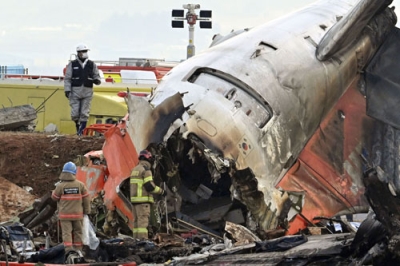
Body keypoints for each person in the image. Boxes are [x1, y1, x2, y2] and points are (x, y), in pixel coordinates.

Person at [51, 161, 90, 253]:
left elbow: (54, 198)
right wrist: (86, 211)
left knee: (66, 233)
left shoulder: (60, 186)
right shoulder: (80, 185)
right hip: (78, 215)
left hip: (65, 215)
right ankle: (78, 251)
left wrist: (54, 192)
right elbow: (86, 199)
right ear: (74, 172)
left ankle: (68, 251)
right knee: (78, 232)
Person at [64, 43, 101, 136]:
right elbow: (67, 78)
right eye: (83, 52)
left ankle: (82, 131)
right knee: (75, 113)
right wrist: (67, 90)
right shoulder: (72, 64)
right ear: (78, 53)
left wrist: (97, 80)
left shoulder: (91, 64)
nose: (84, 53)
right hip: (75, 91)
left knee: (85, 112)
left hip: (87, 91)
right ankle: (77, 126)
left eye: (85, 51)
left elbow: (97, 75)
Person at [130, 150, 166, 239]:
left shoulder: (135, 169)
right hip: (143, 201)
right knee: (143, 223)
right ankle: (143, 242)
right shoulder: (146, 170)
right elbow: (150, 186)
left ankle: (136, 242)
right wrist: (162, 191)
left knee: (136, 224)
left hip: (134, 201)